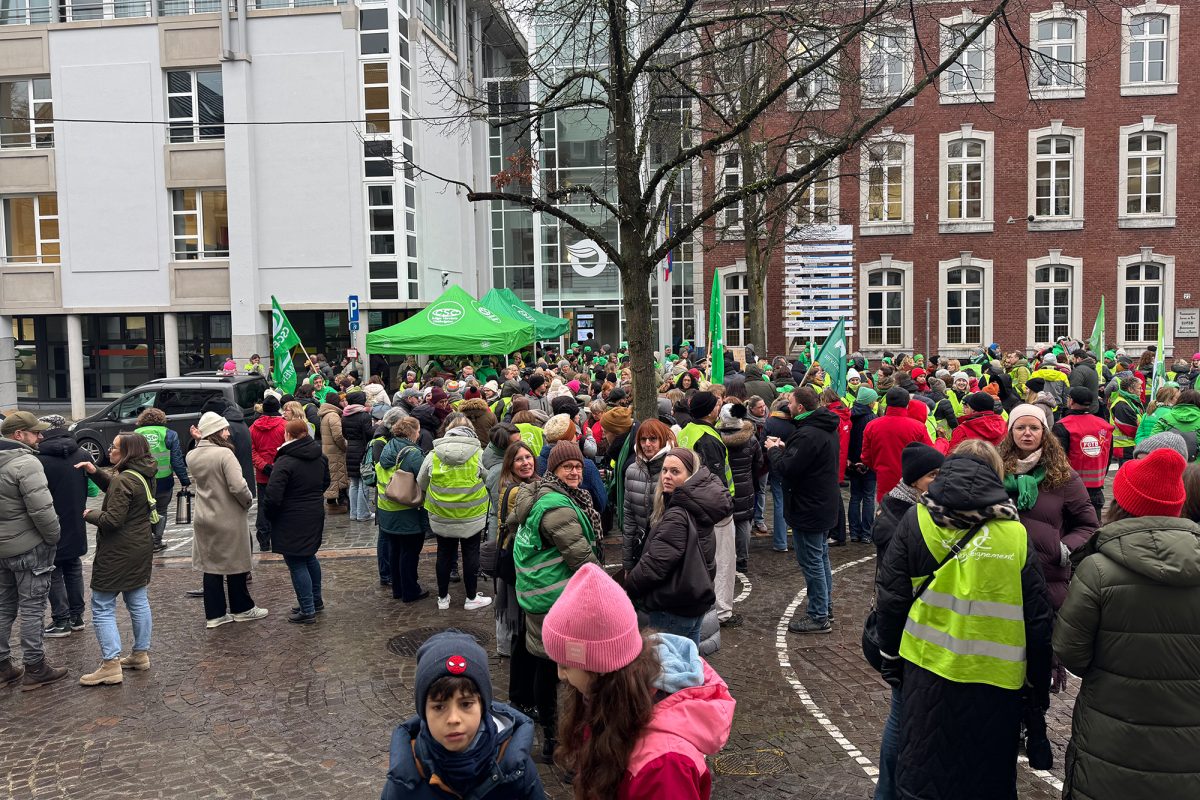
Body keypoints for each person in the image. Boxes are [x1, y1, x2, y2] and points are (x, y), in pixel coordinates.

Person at [874, 441, 1053, 800]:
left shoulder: (916, 519)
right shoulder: (1014, 532)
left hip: (927, 666)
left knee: (924, 764)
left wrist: (890, 658)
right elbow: (1037, 616)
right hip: (997, 677)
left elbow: (891, 599)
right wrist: (1037, 681)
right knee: (986, 774)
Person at [1054, 448, 1200, 799]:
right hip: (1188, 734)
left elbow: (1070, 651)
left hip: (1111, 724)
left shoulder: (1098, 569)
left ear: (1119, 504)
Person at [544, 564, 735, 799]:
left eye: (565, 665)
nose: (560, 674)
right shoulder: (606, 699)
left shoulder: (663, 766)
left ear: (601, 667)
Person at [510, 439, 602, 761]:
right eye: (568, 466)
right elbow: (582, 558)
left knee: (543, 663)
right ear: (555, 470)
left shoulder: (540, 494)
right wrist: (605, 589)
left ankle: (550, 736)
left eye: (578, 465)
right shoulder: (559, 506)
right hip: (558, 598)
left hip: (536, 596)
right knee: (566, 669)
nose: (575, 471)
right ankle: (560, 738)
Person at [381, 631, 545, 799]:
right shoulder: (405, 776)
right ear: (423, 711)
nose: (453, 719)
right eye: (439, 707)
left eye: (466, 704)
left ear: (482, 706)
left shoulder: (515, 766)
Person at [870, 442, 943, 799]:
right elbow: (894, 587)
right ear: (914, 481)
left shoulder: (913, 508)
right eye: (933, 476)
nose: (939, 482)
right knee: (901, 717)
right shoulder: (901, 517)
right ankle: (888, 790)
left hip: (912, 626)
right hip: (904, 630)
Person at [77, 432, 158, 686]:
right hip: (139, 546)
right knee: (137, 599)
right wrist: (95, 471)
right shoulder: (143, 472)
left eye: (114, 447)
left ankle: (110, 664)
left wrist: (89, 514)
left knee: (101, 604)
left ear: (126, 453)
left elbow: (113, 520)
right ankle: (140, 654)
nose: (109, 451)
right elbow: (120, 489)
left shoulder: (124, 479)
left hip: (118, 550)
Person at [999, 404, 1098, 609]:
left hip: (1048, 576)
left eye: (1034, 428)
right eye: (1020, 427)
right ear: (1010, 432)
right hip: (1000, 571)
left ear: (1044, 433)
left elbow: (1088, 524)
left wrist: (1064, 549)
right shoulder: (995, 472)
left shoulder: (1063, 476)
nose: (1027, 433)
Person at [626, 448, 728, 644]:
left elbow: (655, 565)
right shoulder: (699, 505)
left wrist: (628, 588)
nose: (666, 476)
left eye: (675, 472)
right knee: (689, 667)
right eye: (664, 470)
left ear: (690, 476)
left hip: (672, 607)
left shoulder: (677, 515)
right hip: (693, 603)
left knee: (667, 671)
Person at [764, 387, 841, 634]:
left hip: (808, 506)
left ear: (799, 408)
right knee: (821, 558)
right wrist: (788, 447)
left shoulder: (808, 434)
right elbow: (807, 460)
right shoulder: (825, 428)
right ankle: (825, 607)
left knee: (812, 562)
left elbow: (787, 469)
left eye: (791, 402)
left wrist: (774, 450)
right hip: (822, 503)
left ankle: (818, 615)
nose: (788, 406)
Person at [0, 412, 66, 689]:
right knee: (32, 608)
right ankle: (35, 667)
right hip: (29, 546)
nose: (40, 436)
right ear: (19, 435)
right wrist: (53, 537)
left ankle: (3, 667)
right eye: (35, 432)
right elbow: (42, 509)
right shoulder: (26, 462)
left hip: (3, 548)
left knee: (3, 607)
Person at [187, 412, 265, 629]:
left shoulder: (192, 455)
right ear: (215, 432)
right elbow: (237, 486)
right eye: (224, 429)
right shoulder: (224, 454)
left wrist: (197, 440)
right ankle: (242, 608)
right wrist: (248, 500)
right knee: (236, 563)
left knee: (211, 567)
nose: (228, 433)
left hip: (204, 515)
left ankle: (215, 614)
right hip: (228, 516)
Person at [677, 391, 738, 626]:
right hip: (714, 511)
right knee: (723, 561)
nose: (719, 407)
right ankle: (722, 611)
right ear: (710, 410)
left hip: (692, 505)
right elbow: (715, 479)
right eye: (716, 404)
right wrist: (724, 505)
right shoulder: (708, 437)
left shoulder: (686, 431)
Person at [418, 423, 493, 612]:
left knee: (444, 554)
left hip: (441, 513)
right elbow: (489, 479)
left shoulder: (433, 455)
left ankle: (442, 598)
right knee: (471, 554)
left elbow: (421, 482)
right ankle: (471, 597)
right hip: (472, 513)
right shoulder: (479, 454)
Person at [264, 419, 330, 623]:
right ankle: (315, 601)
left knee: (296, 561)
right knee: (309, 556)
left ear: (289, 435)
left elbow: (273, 495)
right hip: (313, 511)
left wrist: (269, 515)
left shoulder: (285, 461)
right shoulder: (320, 456)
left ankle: (307, 608)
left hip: (291, 515)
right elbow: (325, 482)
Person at [36, 418, 90, 639]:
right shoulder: (83, 454)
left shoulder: (39, 460)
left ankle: (61, 620)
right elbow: (93, 490)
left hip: (51, 522)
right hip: (76, 520)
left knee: (54, 570)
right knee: (73, 566)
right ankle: (77, 617)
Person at [491, 440, 538, 661]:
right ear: (510, 464)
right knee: (513, 603)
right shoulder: (519, 490)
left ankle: (506, 644)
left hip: (507, 551)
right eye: (519, 459)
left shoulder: (511, 484)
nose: (526, 463)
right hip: (516, 554)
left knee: (507, 599)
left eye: (528, 457)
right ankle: (512, 646)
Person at [376, 416, 429, 603]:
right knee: (410, 551)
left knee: (395, 549)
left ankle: (398, 589)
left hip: (386, 509)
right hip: (407, 510)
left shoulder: (386, 447)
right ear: (412, 431)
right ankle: (410, 591)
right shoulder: (412, 453)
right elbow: (425, 479)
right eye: (418, 429)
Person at [621, 419, 675, 574]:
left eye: (653, 439)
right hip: (641, 547)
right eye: (643, 439)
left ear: (662, 440)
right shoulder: (632, 470)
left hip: (668, 548)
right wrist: (627, 563)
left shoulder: (673, 469)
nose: (647, 444)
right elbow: (629, 518)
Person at [134, 407, 191, 552]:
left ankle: (142, 541)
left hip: (140, 481)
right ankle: (156, 541)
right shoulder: (170, 434)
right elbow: (177, 460)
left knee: (142, 511)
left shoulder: (135, 435)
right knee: (161, 510)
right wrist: (184, 480)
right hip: (163, 481)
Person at [1052, 386, 1115, 516]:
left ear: (1071, 401)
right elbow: (1108, 456)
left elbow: (1056, 460)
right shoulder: (1104, 426)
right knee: (1093, 529)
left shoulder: (1063, 425)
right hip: (1097, 489)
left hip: (1071, 490)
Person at [862, 387, 934, 501]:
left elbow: (866, 457)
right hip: (910, 482)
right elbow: (929, 455)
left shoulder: (872, 426)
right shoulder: (918, 427)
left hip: (884, 478)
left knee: (885, 513)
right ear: (907, 404)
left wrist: (880, 467)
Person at [717, 403, 763, 573]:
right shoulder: (751, 439)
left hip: (724, 485)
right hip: (745, 485)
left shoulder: (716, 438)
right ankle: (742, 559)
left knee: (723, 524)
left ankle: (724, 558)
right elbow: (758, 462)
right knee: (743, 522)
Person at [249, 395, 286, 550]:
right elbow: (287, 448)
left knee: (263, 507)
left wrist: (263, 465)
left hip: (262, 474)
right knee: (283, 504)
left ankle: (264, 539)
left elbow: (251, 451)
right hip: (282, 473)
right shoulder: (284, 426)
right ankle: (281, 538)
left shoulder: (252, 427)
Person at [847, 387, 879, 543]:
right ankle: (866, 532)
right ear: (870, 402)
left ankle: (853, 532)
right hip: (868, 464)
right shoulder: (872, 419)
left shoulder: (849, 415)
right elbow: (874, 443)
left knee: (854, 497)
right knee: (868, 497)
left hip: (852, 463)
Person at [341, 390, 375, 522]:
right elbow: (368, 433)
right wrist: (377, 426)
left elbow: (344, 434)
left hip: (350, 449)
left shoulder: (345, 415)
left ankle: (354, 513)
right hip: (362, 449)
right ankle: (363, 513)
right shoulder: (364, 415)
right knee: (363, 482)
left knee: (354, 483)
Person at [318, 392, 349, 514]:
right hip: (336, 452)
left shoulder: (325, 415)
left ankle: (331, 504)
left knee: (332, 477)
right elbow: (338, 436)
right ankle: (341, 503)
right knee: (339, 477)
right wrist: (345, 446)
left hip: (327, 451)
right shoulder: (334, 415)